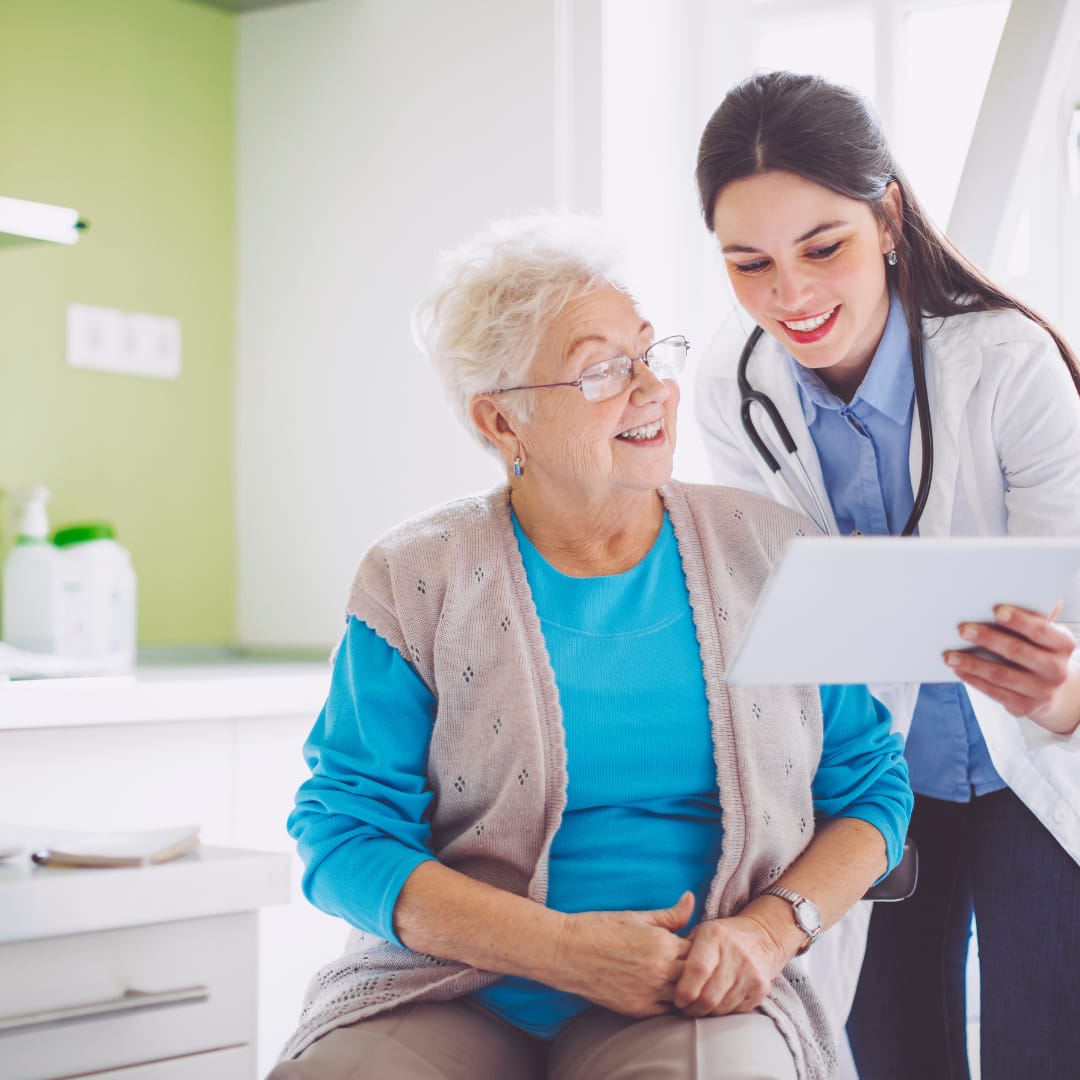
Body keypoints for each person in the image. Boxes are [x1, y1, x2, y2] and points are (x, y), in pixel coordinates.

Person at [267, 214, 912, 1080]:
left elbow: (871, 789)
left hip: (691, 992)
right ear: (503, 423)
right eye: (602, 370)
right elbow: (342, 829)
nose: (650, 388)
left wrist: (768, 930)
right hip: (451, 988)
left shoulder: (773, 552)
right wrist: (558, 949)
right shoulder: (416, 576)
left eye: (650, 353)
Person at [693, 70, 1080, 1080]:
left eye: (825, 247)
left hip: (1027, 772)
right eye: (750, 264)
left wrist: (1065, 690)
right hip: (871, 785)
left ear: (890, 219)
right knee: (891, 1055)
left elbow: (1074, 600)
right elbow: (772, 601)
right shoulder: (735, 387)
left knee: (1046, 1049)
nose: (792, 295)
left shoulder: (1008, 364)